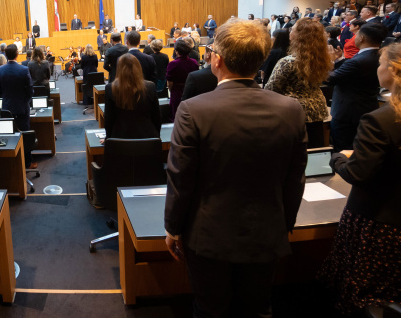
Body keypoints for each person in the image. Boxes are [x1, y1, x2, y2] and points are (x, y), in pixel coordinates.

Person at [164, 20, 308, 316]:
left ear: (216, 59)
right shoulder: (291, 109)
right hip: (267, 232)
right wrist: (284, 225)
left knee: (211, 310)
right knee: (258, 309)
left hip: (207, 236)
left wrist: (172, 228)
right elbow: (295, 179)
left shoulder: (193, 110)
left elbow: (181, 178)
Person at [320, 43, 401, 315]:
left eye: (380, 63)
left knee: (365, 294)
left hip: (379, 223)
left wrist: (339, 158)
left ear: (391, 70)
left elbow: (358, 173)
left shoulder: (380, 120)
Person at [265, 18, 332, 148]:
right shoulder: (321, 58)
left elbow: (271, 89)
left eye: (292, 29)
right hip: (317, 110)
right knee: (313, 151)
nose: (290, 31)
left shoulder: (288, 61)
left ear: (298, 35)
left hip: (292, 113)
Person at [328, 23, 385, 151]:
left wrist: (330, 61)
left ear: (362, 38)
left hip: (348, 112)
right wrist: (339, 60)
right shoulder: (380, 55)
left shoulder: (359, 60)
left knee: (342, 148)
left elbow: (330, 79)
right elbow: (351, 74)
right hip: (367, 106)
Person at [103, 54, 160, 141]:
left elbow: (108, 119)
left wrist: (108, 138)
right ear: (138, 68)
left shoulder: (110, 88)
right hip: (147, 138)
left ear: (119, 69)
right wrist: (156, 137)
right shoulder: (150, 86)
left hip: (120, 138)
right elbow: (157, 116)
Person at [0, 45, 34, 133]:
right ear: (17, 54)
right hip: (22, 106)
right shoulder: (24, 69)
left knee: (9, 133)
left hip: (7, 106)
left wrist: (6, 96)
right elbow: (30, 89)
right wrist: (26, 100)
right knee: (24, 133)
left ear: (5, 54)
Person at [166, 39, 198, 120]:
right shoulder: (194, 62)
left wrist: (171, 90)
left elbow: (169, 83)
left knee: (177, 116)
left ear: (176, 51)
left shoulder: (172, 64)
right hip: (191, 92)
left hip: (177, 92)